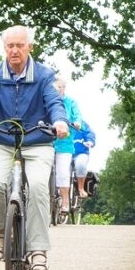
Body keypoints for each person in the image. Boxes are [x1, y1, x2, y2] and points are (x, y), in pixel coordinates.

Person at [0, 25, 69, 270]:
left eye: (19, 45)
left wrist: (59, 121)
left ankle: (38, 249)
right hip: (2, 140)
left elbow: (54, 102)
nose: (14, 50)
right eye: (9, 46)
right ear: (4, 48)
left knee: (38, 187)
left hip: (37, 141)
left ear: (29, 47)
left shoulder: (45, 75)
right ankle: (0, 230)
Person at [52, 74, 82, 216]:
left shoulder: (71, 102)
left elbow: (77, 116)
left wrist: (77, 123)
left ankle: (65, 201)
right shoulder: (48, 100)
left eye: (61, 87)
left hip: (65, 142)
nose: (59, 89)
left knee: (63, 171)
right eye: (57, 87)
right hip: (48, 141)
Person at [73, 119, 96, 197]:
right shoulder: (58, 120)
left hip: (81, 152)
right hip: (64, 152)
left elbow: (89, 133)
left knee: (81, 165)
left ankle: (81, 188)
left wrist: (90, 141)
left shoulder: (81, 123)